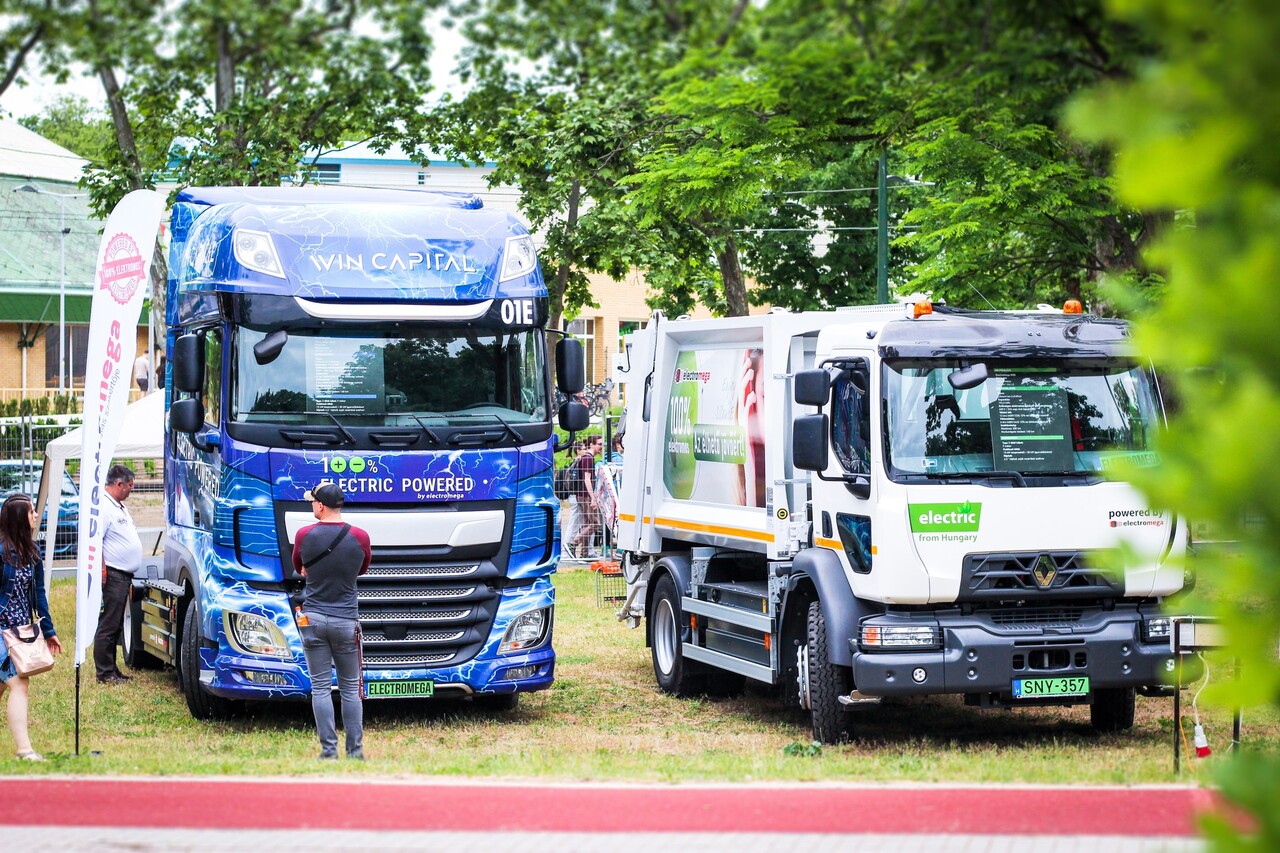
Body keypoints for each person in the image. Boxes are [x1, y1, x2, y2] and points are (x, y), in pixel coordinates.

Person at [293, 482, 371, 760]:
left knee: (320, 687)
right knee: (350, 688)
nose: (311, 505)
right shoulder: (360, 536)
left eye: (312, 502)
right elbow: (362, 568)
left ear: (321, 505)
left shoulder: (304, 534)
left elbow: (298, 566)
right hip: (345, 621)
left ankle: (328, 752)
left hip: (312, 618)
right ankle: (355, 753)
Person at [0, 493, 63, 761]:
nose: (36, 516)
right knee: (19, 683)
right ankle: (24, 750)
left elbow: (39, 595)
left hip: (21, 632)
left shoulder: (32, 553)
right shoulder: (1, 552)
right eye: (32, 512)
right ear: (18, 518)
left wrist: (49, 631)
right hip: (1, 630)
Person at [94, 464, 141, 684]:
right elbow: (96, 541)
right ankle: (104, 672)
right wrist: (102, 570)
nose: (131, 490)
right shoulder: (104, 507)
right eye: (129, 486)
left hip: (123, 575)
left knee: (116, 625)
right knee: (109, 624)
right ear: (119, 484)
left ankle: (112, 669)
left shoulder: (118, 506)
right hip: (113, 574)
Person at [569, 435, 603, 558]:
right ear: (592, 444)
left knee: (586, 524)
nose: (601, 447)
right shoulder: (588, 458)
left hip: (581, 494)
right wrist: (593, 497)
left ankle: (585, 553)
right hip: (586, 495)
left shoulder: (585, 457)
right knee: (595, 524)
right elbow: (587, 479)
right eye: (599, 444)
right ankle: (573, 543)